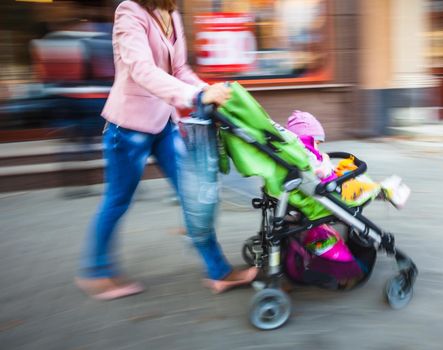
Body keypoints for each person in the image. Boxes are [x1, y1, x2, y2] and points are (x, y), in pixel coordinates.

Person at [75, 0, 257, 300]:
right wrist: (196, 95)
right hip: (129, 127)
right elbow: (141, 70)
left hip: (163, 123)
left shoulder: (171, 13)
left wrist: (208, 91)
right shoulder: (129, 12)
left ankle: (219, 271)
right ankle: (96, 272)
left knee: (194, 194)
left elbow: (180, 69)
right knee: (117, 201)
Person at [286, 110, 411, 208]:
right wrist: (325, 161)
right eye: (317, 143)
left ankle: (385, 188)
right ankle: (387, 191)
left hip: (326, 184)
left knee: (354, 177)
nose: (317, 147)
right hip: (335, 189)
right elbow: (321, 172)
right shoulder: (308, 154)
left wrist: (325, 160)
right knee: (363, 185)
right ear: (309, 139)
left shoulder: (298, 154)